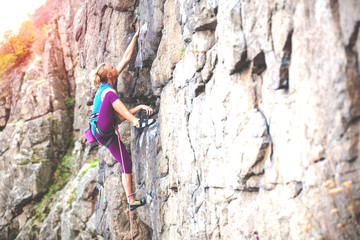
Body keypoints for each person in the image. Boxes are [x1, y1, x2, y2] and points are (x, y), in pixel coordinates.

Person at [90, 28, 155, 211]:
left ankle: (131, 201)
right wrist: (134, 119)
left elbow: (126, 58)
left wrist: (135, 36)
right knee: (111, 95)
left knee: (126, 162)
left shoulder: (112, 81)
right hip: (101, 128)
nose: (114, 67)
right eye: (112, 67)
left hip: (107, 133)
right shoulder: (106, 90)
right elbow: (120, 112)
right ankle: (137, 123)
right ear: (109, 75)